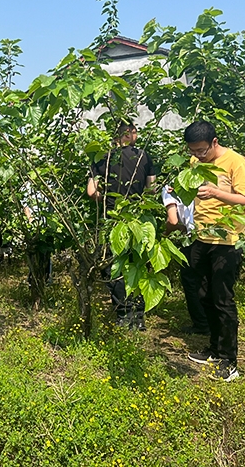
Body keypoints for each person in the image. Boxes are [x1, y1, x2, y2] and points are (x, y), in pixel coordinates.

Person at [183, 121, 245, 382]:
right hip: (202, 236)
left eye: (201, 151)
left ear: (214, 142)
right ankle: (214, 348)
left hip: (228, 239)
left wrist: (215, 192)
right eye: (193, 151)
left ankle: (229, 360)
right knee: (202, 293)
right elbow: (193, 192)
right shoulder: (195, 162)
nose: (197, 156)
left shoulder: (236, 162)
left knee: (222, 299)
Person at [87, 122, 156, 330]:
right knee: (138, 264)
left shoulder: (101, 157)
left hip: (113, 220)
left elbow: (92, 192)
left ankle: (123, 314)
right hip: (138, 219)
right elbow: (151, 189)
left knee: (115, 267)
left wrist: (107, 200)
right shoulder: (144, 156)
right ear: (130, 133)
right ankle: (139, 315)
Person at [161, 185, 209, 336]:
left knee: (192, 281)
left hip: (193, 238)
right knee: (209, 279)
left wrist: (164, 234)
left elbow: (173, 221)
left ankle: (201, 324)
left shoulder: (169, 187)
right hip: (214, 234)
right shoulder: (204, 180)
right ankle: (215, 321)